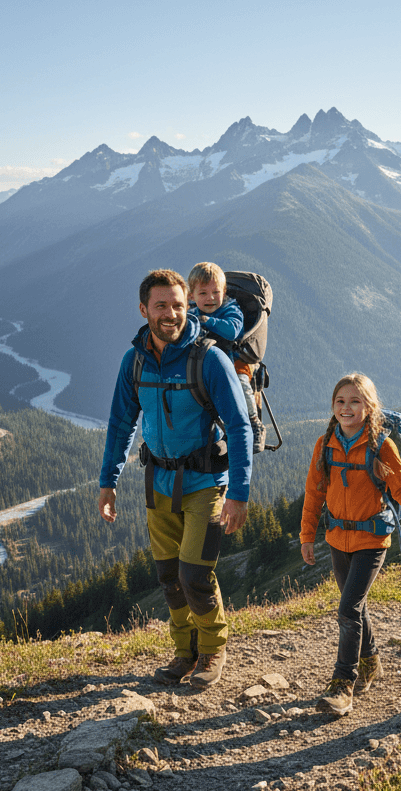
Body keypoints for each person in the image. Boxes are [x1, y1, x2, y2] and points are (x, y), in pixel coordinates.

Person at [98, 268, 252, 690]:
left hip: (206, 483)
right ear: (144, 308)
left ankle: (212, 651)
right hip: (158, 482)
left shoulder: (210, 359)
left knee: (195, 575)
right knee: (169, 576)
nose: (171, 314)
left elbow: (240, 427)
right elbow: (120, 422)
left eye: (179, 305)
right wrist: (108, 481)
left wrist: (239, 492)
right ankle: (184, 652)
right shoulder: (135, 361)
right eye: (162, 305)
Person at [300, 373, 401, 716]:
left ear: (369, 407)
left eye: (355, 401)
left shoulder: (380, 445)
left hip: (372, 539)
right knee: (356, 607)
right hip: (337, 540)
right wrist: (306, 536)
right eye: (341, 401)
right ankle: (372, 662)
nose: (346, 408)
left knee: (347, 610)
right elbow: (314, 494)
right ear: (333, 406)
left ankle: (343, 683)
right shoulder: (323, 446)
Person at [186, 262, 267, 453]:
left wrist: (207, 320)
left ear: (224, 291)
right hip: (206, 362)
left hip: (234, 359)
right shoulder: (192, 312)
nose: (210, 298)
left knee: (239, 382)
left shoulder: (230, 308)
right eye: (203, 293)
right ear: (192, 296)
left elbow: (232, 331)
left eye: (216, 292)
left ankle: (254, 424)